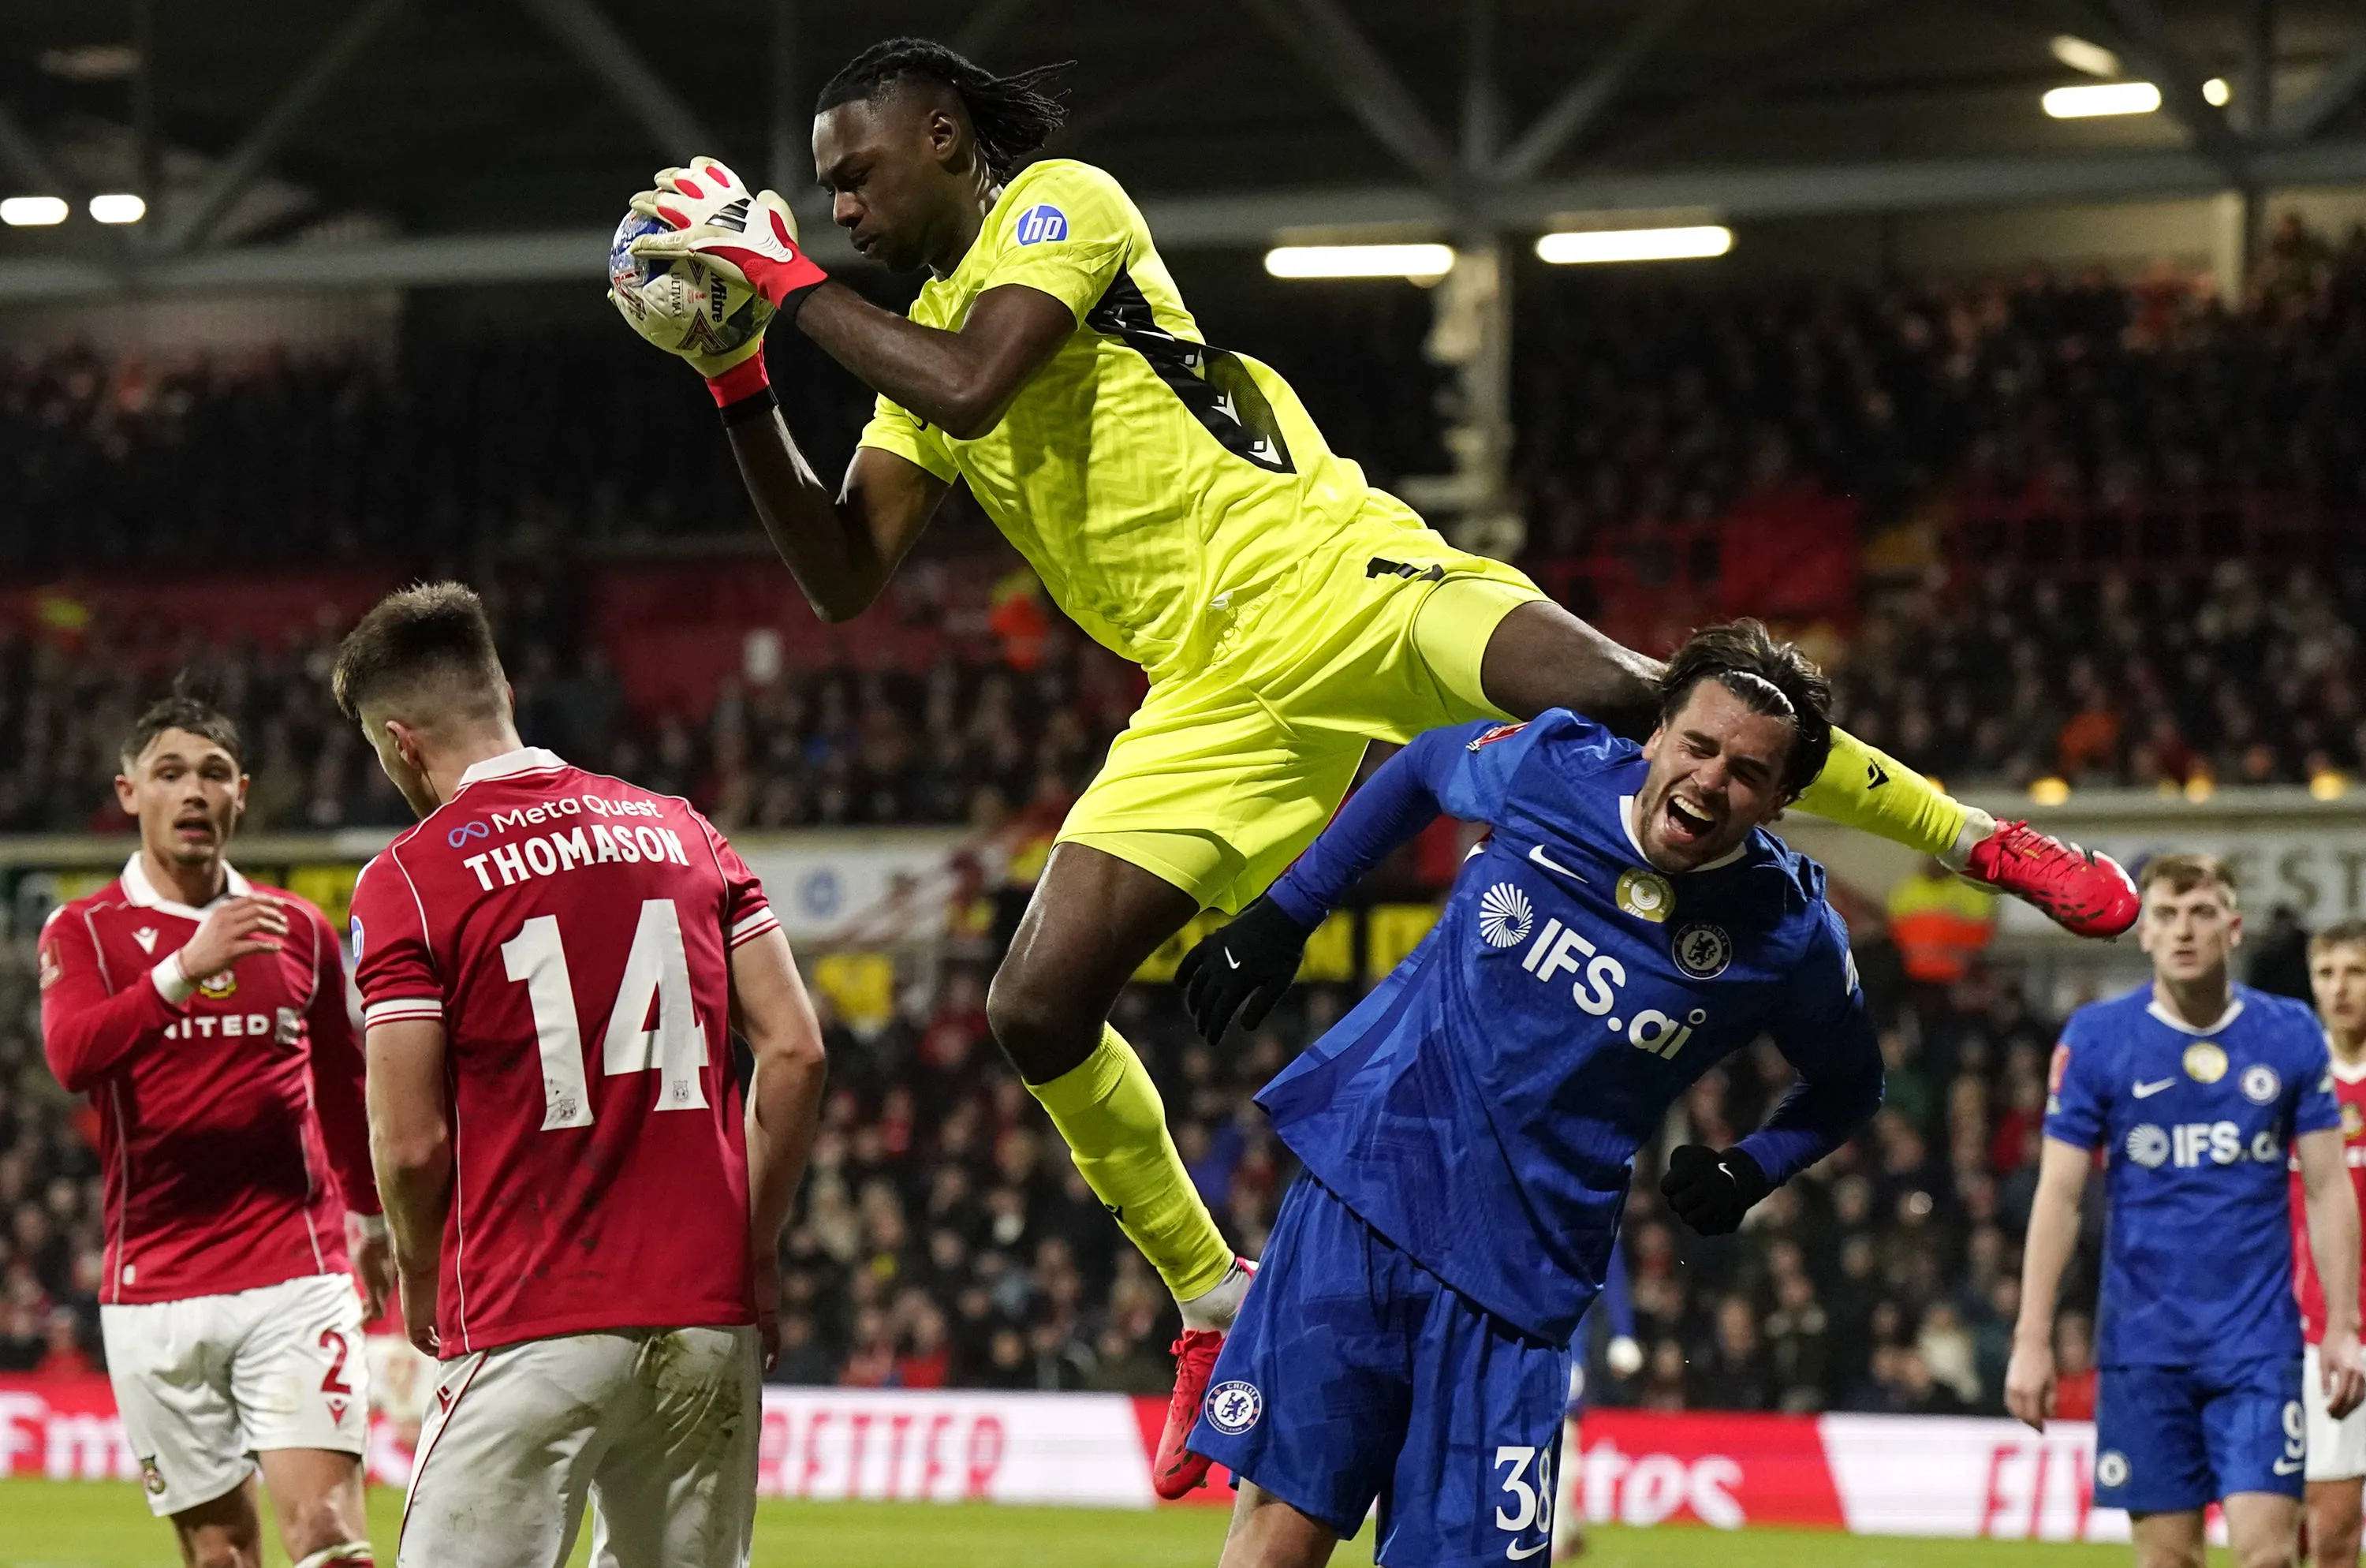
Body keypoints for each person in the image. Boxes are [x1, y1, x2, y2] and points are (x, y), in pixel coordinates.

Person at [606, 36, 2137, 1491]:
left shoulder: (1062, 208)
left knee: (1655, 698)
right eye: (821, 190)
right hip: (1208, 692)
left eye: (855, 170)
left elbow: (974, 379)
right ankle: (1211, 1298)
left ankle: (1976, 839)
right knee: (1036, 1001)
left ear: (943, 139)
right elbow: (841, 573)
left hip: (1337, 576)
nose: (839, 205)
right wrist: (739, 375)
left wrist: (785, 282)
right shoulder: (899, 361)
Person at [1170, 621, 1886, 1565]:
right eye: (1698, 745)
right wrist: (1292, 905)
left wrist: (1754, 1165)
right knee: (1275, 1542)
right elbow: (1427, 761)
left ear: (1782, 798)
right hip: (1366, 1195)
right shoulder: (1553, 764)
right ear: (1658, 731)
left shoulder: (1789, 931)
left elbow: (1851, 1081)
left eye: (1748, 771)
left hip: (1521, 1281)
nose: (1712, 780)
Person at [334, 584, 829, 1567]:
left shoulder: (410, 881)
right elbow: (798, 1051)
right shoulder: (686, 831)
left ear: (399, 741)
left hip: (528, 1314)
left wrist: (424, 1269)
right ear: (505, 690)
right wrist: (757, 1248)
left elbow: (412, 1137)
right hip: (704, 1312)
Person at [39, 694, 387, 1568]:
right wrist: (184, 969)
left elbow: (345, 1087)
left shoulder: (298, 927)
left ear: (242, 794)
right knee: (223, 1552)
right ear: (129, 793)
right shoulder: (84, 931)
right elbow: (73, 1056)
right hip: (154, 1281)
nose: (193, 791)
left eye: (213, 773)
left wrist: (373, 1217)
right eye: (169, 773)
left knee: (330, 1535)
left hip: (294, 1270)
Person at [2007, 856, 2366, 1568]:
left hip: (2259, 1347)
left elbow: (2328, 1187)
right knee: (2168, 1560)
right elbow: (2060, 1194)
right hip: (2143, 1348)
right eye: (2166, 915)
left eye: (2202, 913)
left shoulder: (2289, 1032)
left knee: (2268, 1555)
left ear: (2233, 927)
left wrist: (2344, 1328)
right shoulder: (2098, 1038)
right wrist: (2032, 1337)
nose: (2183, 932)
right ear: (2143, 933)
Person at [2299, 920, 2366, 1568]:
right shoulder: (2296, 1080)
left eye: (2356, 972)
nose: (2340, 988)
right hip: (2320, 1334)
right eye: (2327, 973)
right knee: (2329, 1527)